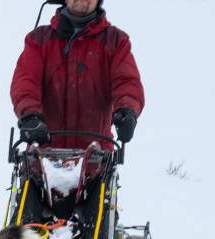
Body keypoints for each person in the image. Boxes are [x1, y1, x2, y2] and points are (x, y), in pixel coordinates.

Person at [11, 0, 144, 150]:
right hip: (42, 154)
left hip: (95, 158)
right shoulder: (39, 39)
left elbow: (126, 81)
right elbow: (26, 80)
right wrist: (30, 115)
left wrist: (127, 110)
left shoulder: (116, 41)